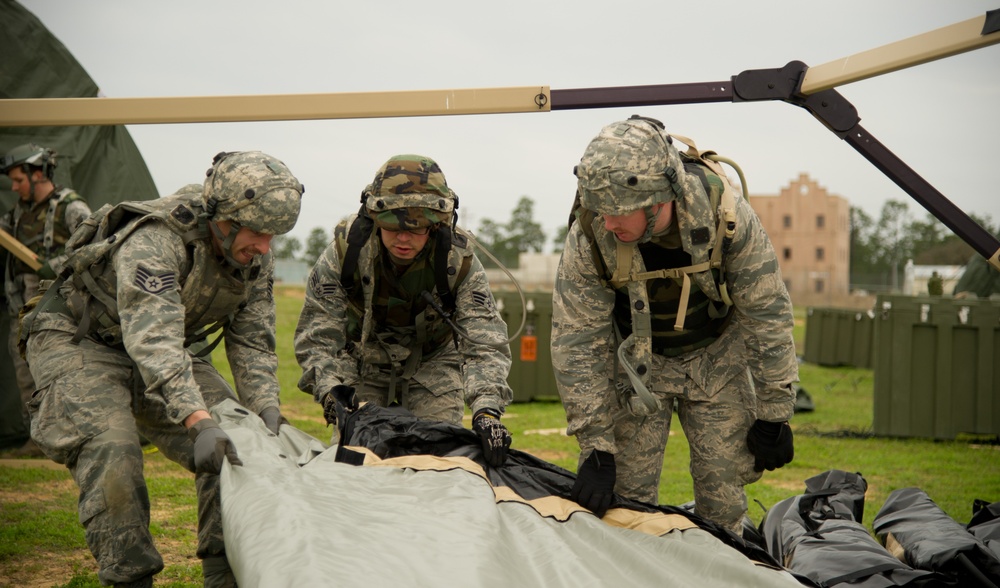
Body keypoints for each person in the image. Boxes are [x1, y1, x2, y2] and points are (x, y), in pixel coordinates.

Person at [20, 150, 304, 588]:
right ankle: (130, 577)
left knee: (241, 441)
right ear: (224, 219)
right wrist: (197, 419)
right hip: (81, 340)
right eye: (258, 233)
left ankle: (223, 571)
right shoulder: (157, 240)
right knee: (112, 449)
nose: (265, 248)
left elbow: (252, 342)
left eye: (274, 235)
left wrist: (265, 412)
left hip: (165, 347)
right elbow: (153, 341)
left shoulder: (254, 258)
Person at [551, 116, 798, 535]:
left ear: (658, 199)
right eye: (601, 210)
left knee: (723, 503)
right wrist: (596, 444)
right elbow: (577, 340)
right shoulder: (590, 234)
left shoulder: (727, 216)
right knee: (624, 508)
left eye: (619, 212)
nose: (608, 223)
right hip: (637, 368)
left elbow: (767, 312)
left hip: (717, 359)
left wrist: (775, 412)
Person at [294, 154, 513, 467]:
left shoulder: (457, 261)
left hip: (433, 362)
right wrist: (332, 389)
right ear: (375, 219)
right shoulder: (346, 253)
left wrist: (487, 410)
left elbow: (484, 341)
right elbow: (318, 336)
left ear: (436, 225)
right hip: (364, 363)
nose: (404, 238)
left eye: (417, 228)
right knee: (350, 465)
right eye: (392, 226)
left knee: (437, 465)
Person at [0, 143, 92, 456]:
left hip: (62, 308)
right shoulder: (16, 215)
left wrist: (51, 266)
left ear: (38, 174)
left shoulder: (71, 207)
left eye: (19, 180)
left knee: (62, 373)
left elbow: (94, 248)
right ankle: (37, 441)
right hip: (23, 305)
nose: (14, 187)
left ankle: (75, 438)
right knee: (26, 373)